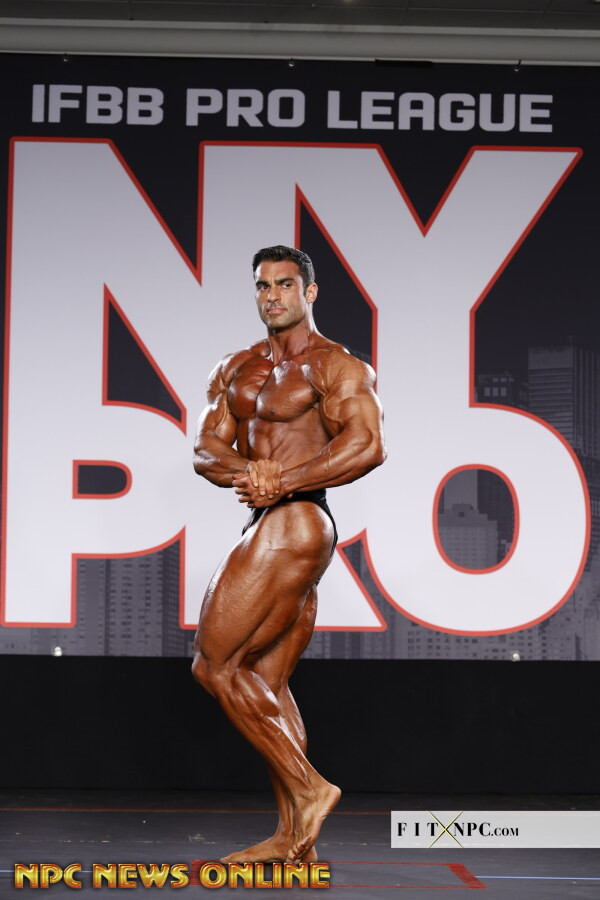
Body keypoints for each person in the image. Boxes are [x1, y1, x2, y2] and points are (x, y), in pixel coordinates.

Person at [191, 245, 386, 864]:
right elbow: (205, 450)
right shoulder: (236, 368)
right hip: (269, 518)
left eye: (284, 285)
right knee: (264, 682)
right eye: (262, 286)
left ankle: (310, 790)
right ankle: (292, 840)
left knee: (214, 666)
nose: (272, 296)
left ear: (309, 293)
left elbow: (367, 444)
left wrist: (286, 481)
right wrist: (251, 473)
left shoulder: (336, 365)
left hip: (299, 519)